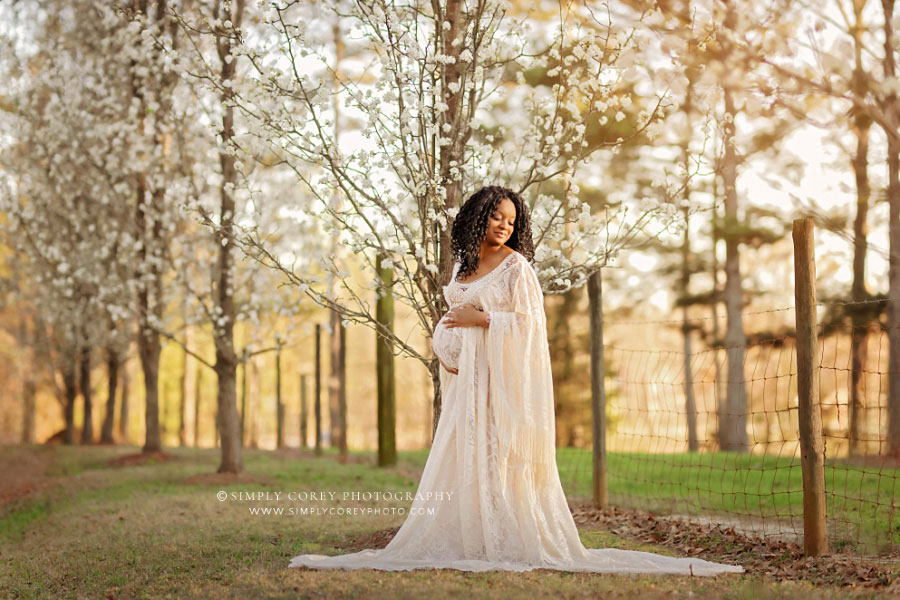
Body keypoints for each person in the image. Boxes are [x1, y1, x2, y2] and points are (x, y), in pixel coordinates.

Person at [288, 186, 744, 575]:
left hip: (500, 382)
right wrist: (444, 346)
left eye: (511, 219)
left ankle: (505, 536)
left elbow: (528, 326)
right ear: (476, 217)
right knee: (467, 454)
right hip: (465, 386)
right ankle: (472, 536)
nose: (503, 225)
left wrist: (485, 320)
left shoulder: (516, 268)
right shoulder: (461, 267)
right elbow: (454, 315)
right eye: (495, 216)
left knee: (502, 455)